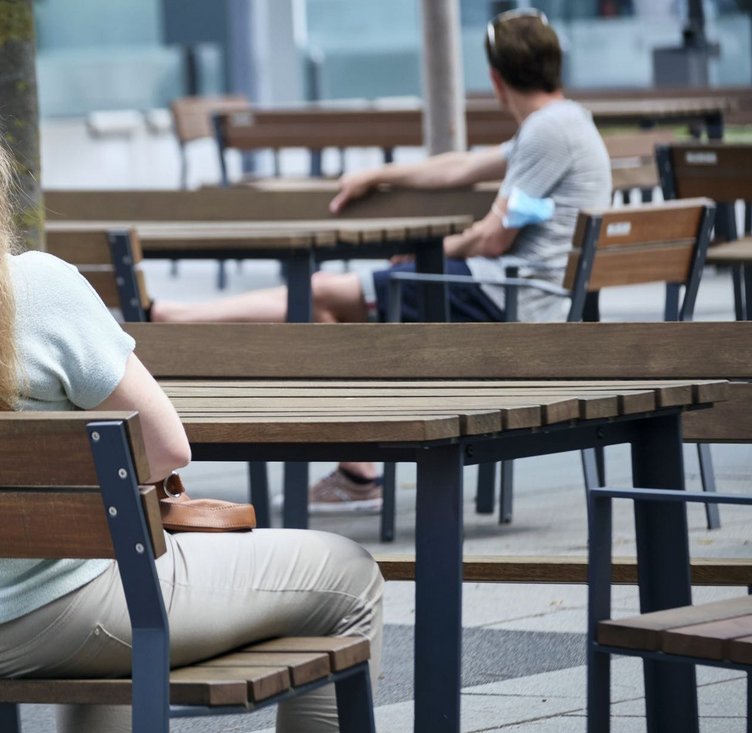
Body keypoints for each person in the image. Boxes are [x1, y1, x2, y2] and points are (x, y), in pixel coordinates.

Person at [0, 56, 382, 732]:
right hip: (55, 622)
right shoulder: (39, 288)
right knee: (349, 576)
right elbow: (165, 448)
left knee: (95, 572)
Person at [152, 10, 612, 514]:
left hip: (511, 301)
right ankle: (357, 473)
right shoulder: (563, 123)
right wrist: (380, 175)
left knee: (322, 291)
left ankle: (175, 321)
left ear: (495, 79)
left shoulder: (548, 131)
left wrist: (431, 249)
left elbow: (494, 238)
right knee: (325, 311)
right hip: (513, 294)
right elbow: (459, 165)